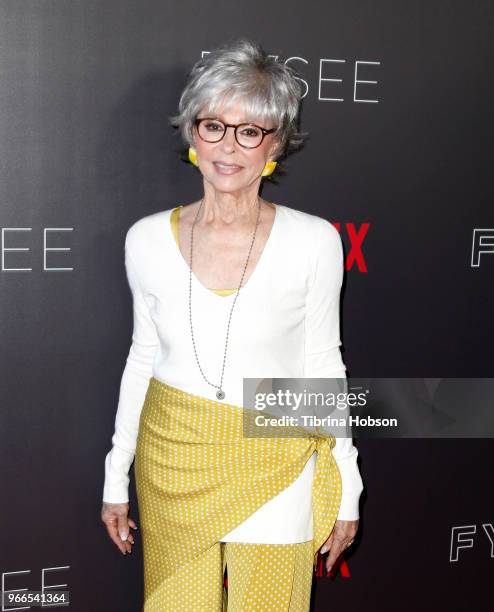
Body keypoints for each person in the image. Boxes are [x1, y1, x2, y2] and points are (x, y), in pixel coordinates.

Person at [101, 37, 364, 611]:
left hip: (275, 459)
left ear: (276, 144)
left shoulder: (315, 240)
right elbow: (142, 357)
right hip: (173, 460)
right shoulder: (145, 239)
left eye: (251, 131)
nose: (229, 146)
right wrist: (115, 475)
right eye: (214, 125)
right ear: (192, 133)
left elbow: (322, 364)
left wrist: (348, 483)